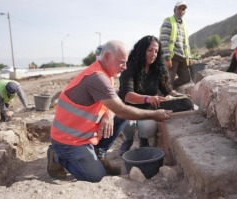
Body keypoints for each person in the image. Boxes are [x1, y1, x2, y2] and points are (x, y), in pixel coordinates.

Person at [47, 40, 172, 182]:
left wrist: (108, 113)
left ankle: (98, 153)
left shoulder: (107, 74)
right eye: (121, 62)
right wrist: (154, 115)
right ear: (107, 57)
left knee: (118, 117)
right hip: (68, 140)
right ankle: (57, 155)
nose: (124, 67)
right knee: (95, 176)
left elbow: (114, 104)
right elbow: (122, 110)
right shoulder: (96, 77)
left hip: (84, 135)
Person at [117, 35, 182, 156]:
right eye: (150, 50)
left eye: (156, 51)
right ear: (142, 50)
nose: (153, 54)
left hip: (148, 109)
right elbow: (127, 95)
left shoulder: (158, 68)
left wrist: (180, 96)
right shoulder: (129, 66)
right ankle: (128, 139)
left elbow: (168, 91)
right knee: (125, 122)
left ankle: (144, 139)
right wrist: (148, 98)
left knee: (147, 127)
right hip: (128, 107)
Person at [159, 1, 192, 89]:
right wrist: (167, 57)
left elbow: (186, 43)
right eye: (179, 8)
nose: (181, 11)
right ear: (174, 10)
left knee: (186, 78)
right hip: (172, 57)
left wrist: (189, 57)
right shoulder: (168, 21)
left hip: (182, 57)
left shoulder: (184, 25)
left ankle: (170, 89)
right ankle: (161, 99)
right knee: (168, 80)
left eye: (183, 9)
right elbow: (163, 40)